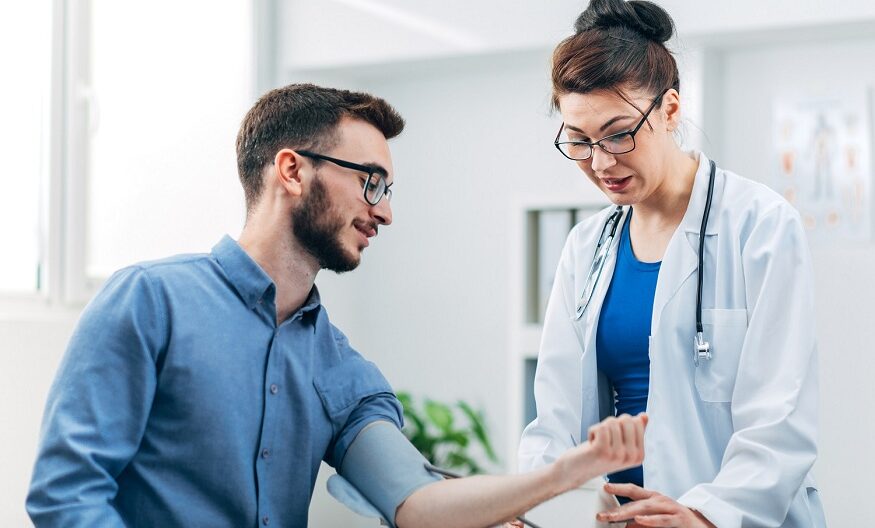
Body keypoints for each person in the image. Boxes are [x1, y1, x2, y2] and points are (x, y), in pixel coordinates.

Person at [26, 83, 648, 528]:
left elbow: (415, 504)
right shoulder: (148, 302)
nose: (385, 210)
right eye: (370, 180)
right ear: (292, 170)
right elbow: (66, 495)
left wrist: (564, 474)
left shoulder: (341, 370)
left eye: (388, 188)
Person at [517, 1, 826, 527]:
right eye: (579, 140)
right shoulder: (586, 247)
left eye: (618, 133)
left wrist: (705, 516)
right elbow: (555, 421)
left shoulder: (760, 225)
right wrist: (533, 509)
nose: (601, 161)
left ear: (671, 110)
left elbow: (780, 418)